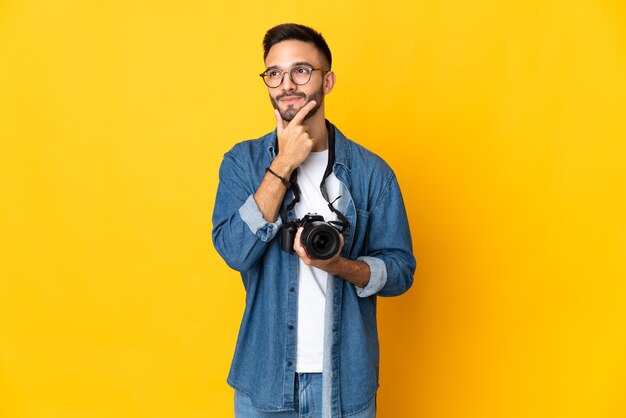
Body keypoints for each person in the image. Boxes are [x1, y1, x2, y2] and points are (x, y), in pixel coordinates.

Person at [212, 23, 416, 418]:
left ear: (328, 80)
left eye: (302, 70)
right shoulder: (243, 162)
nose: (287, 83)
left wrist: (342, 266)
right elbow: (234, 251)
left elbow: (402, 271)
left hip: (345, 381)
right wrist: (284, 163)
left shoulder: (372, 173)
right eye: (275, 73)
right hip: (263, 380)